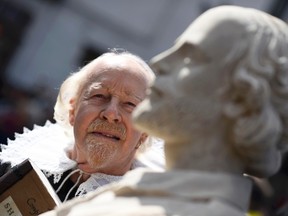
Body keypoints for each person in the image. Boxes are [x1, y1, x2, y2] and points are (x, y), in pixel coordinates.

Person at [41, 5, 288, 216]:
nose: (160, 61)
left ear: (241, 98)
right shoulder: (135, 196)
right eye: (99, 96)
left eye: (191, 57)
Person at [0, 49, 164, 203]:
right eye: (99, 95)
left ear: (145, 132)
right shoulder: (18, 166)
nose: (111, 114)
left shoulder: (146, 207)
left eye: (130, 104)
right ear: (72, 111)